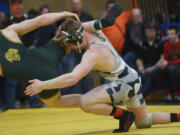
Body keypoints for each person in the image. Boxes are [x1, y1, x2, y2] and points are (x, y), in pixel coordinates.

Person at [25, 18, 180, 133]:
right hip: (132, 80)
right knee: (144, 122)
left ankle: (124, 116)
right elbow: (81, 25)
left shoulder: (93, 53)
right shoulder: (95, 31)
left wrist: (43, 85)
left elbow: (73, 78)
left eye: (69, 44)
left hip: (125, 84)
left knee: (85, 102)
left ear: (76, 39)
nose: (70, 48)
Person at [0, 4, 122, 108]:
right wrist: (63, 13)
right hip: (46, 54)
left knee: (58, 102)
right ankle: (99, 24)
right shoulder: (8, 32)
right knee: (66, 34)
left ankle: (105, 99)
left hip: (43, 76)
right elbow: (38, 21)